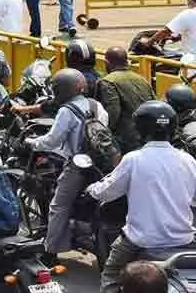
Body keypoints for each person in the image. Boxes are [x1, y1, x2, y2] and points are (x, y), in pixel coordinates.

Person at [89, 100, 196, 293]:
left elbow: (108, 191)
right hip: (184, 239)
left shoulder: (134, 159)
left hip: (141, 240)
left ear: (139, 129)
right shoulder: (188, 160)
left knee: (111, 273)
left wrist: (92, 189)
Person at [27, 67, 108, 261]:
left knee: (58, 205)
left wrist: (32, 142)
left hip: (78, 167)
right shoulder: (96, 105)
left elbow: (52, 141)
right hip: (102, 164)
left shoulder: (66, 110)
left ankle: (51, 251)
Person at [98, 46, 158, 154]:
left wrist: (104, 135)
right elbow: (154, 103)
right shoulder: (141, 79)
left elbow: (113, 113)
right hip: (147, 136)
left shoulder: (108, 81)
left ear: (107, 62)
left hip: (125, 141)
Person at [146, 0, 196, 71]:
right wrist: (179, 37)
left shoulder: (189, 13)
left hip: (193, 60)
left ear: (190, 1)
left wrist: (149, 42)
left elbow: (165, 31)